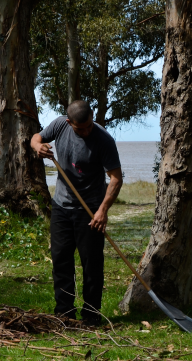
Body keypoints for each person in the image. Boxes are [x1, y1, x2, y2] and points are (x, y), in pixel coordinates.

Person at [30, 100, 123, 325]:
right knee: (61, 260)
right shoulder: (60, 125)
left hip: (90, 210)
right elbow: (36, 137)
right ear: (69, 122)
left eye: (89, 125)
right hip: (61, 207)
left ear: (92, 117)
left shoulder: (103, 139)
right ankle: (65, 314)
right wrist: (37, 147)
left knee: (91, 264)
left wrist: (102, 211)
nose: (86, 131)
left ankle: (91, 316)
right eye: (81, 128)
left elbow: (116, 178)